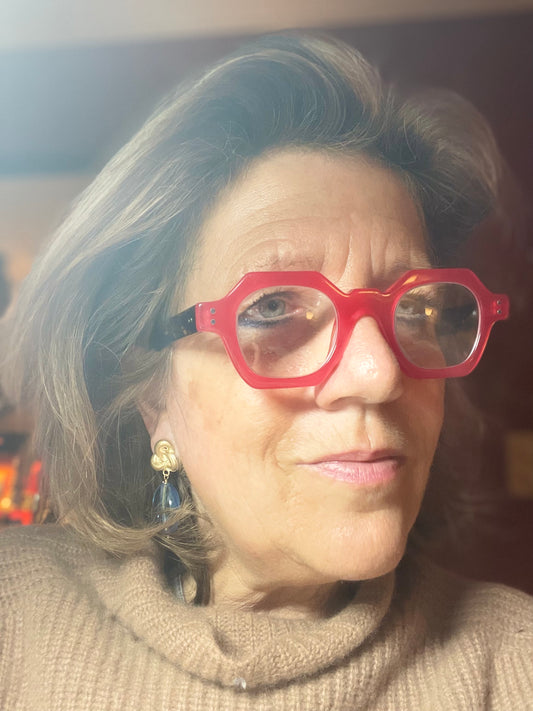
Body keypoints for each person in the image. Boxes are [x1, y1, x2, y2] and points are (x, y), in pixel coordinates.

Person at [1, 32, 532, 711]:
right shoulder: (15, 616)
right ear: (149, 392)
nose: (379, 373)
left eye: (412, 308)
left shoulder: (511, 663)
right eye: (273, 308)